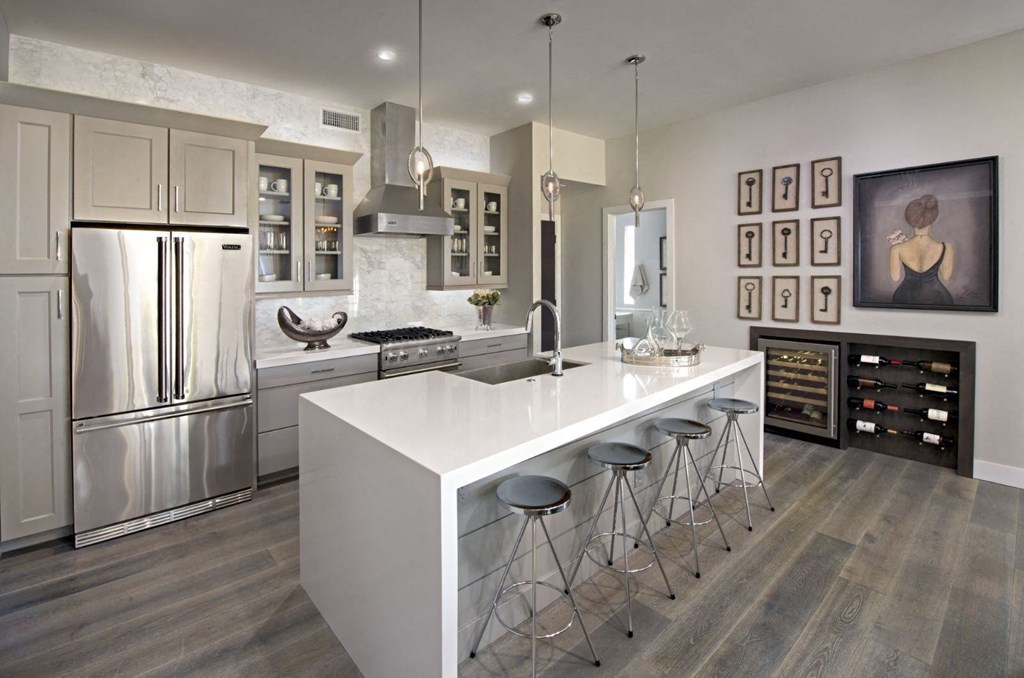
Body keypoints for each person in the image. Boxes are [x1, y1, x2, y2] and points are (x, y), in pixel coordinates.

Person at [889, 194, 954, 304]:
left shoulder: (896, 248)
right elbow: (946, 277)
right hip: (937, 297)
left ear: (909, 220)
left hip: (905, 296)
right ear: (933, 219)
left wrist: (903, 247)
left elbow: (895, 277)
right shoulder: (946, 247)